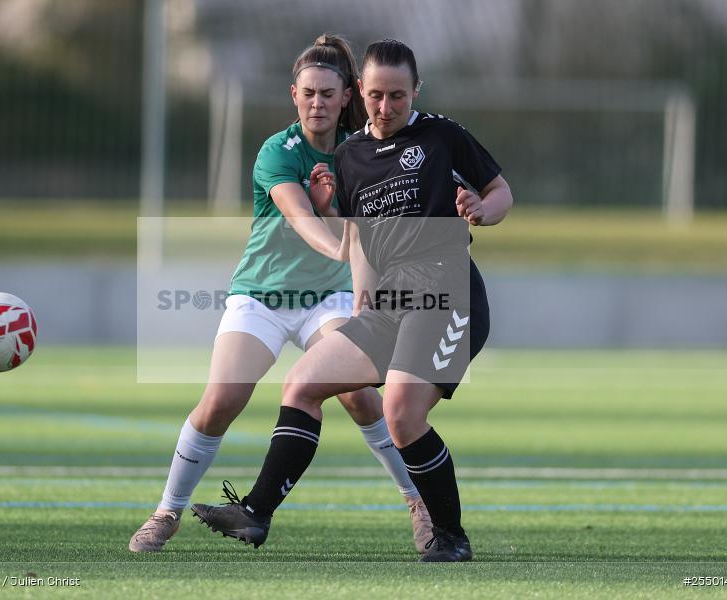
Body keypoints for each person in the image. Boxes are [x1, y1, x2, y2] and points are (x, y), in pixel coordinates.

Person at [192, 39, 513, 562]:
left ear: (416, 92)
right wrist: (328, 215)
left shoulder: (443, 135)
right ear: (359, 93)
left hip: (446, 292)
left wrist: (482, 207)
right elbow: (355, 243)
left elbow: (502, 193)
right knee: (302, 384)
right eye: (377, 96)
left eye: (398, 97)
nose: (386, 108)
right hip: (386, 301)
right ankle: (256, 514)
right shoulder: (349, 155)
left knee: (401, 413)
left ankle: (450, 538)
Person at [129, 34, 432, 554]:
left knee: (359, 396)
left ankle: (419, 504)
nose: (317, 103)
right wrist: (331, 227)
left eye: (327, 94)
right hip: (263, 295)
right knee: (223, 398)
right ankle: (166, 512)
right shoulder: (278, 151)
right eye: (308, 93)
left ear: (345, 98)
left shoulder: (360, 151)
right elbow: (300, 218)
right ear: (294, 95)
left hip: (330, 298)